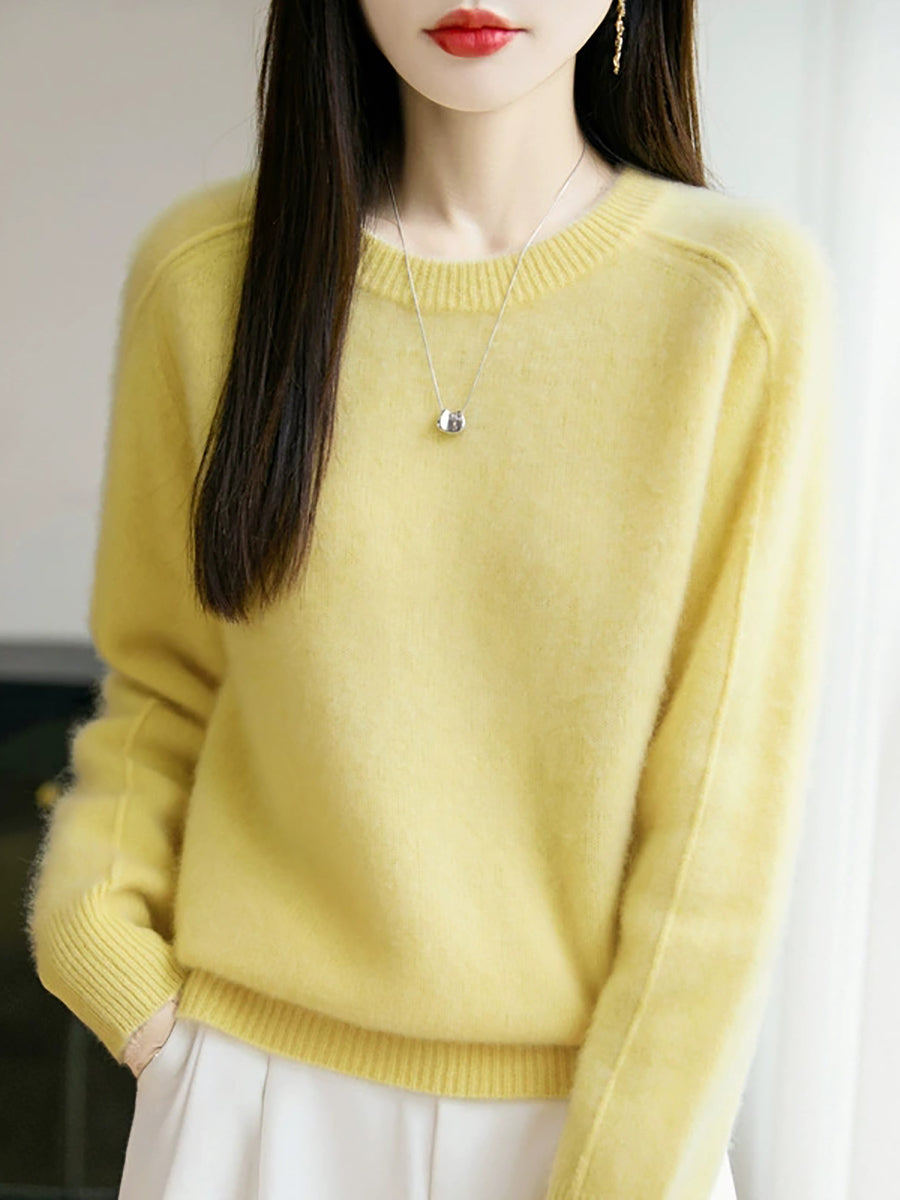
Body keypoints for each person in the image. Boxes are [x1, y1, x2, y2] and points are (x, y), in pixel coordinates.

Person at [24, 0, 835, 1197]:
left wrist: (628, 1172)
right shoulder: (206, 276)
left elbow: (726, 815)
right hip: (247, 1104)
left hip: (584, 1122)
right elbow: (164, 683)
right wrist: (103, 944)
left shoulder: (736, 298)